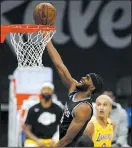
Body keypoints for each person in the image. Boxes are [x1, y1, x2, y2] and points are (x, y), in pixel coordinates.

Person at [46, 41, 104, 147]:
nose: (83, 77)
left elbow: (68, 139)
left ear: (92, 87)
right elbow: (59, 65)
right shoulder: (74, 86)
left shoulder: (84, 108)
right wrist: (46, 39)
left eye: (87, 78)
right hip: (62, 142)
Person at [23, 82, 63, 147]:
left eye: (49, 89)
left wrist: (54, 139)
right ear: (41, 91)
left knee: (63, 144)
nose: (47, 91)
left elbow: (62, 128)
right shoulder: (32, 109)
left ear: (53, 92)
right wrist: (37, 140)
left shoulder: (58, 109)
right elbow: (26, 129)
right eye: (44, 89)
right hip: (36, 140)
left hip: (52, 140)